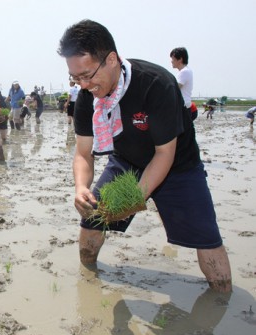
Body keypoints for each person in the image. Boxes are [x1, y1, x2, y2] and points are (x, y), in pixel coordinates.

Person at [58, 19, 231, 292]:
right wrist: (81, 187)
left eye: (88, 75)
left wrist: (136, 198)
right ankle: (88, 280)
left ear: (111, 59)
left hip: (178, 167)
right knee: (91, 220)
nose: (83, 84)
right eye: (75, 78)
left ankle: (223, 299)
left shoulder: (156, 84)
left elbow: (164, 154)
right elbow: (83, 153)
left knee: (206, 239)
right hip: (126, 161)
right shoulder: (87, 97)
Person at [170, 47, 194, 120]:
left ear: (180, 59)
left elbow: (175, 88)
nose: (171, 61)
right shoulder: (186, 71)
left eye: (173, 59)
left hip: (183, 107)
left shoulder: (184, 72)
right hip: (184, 106)